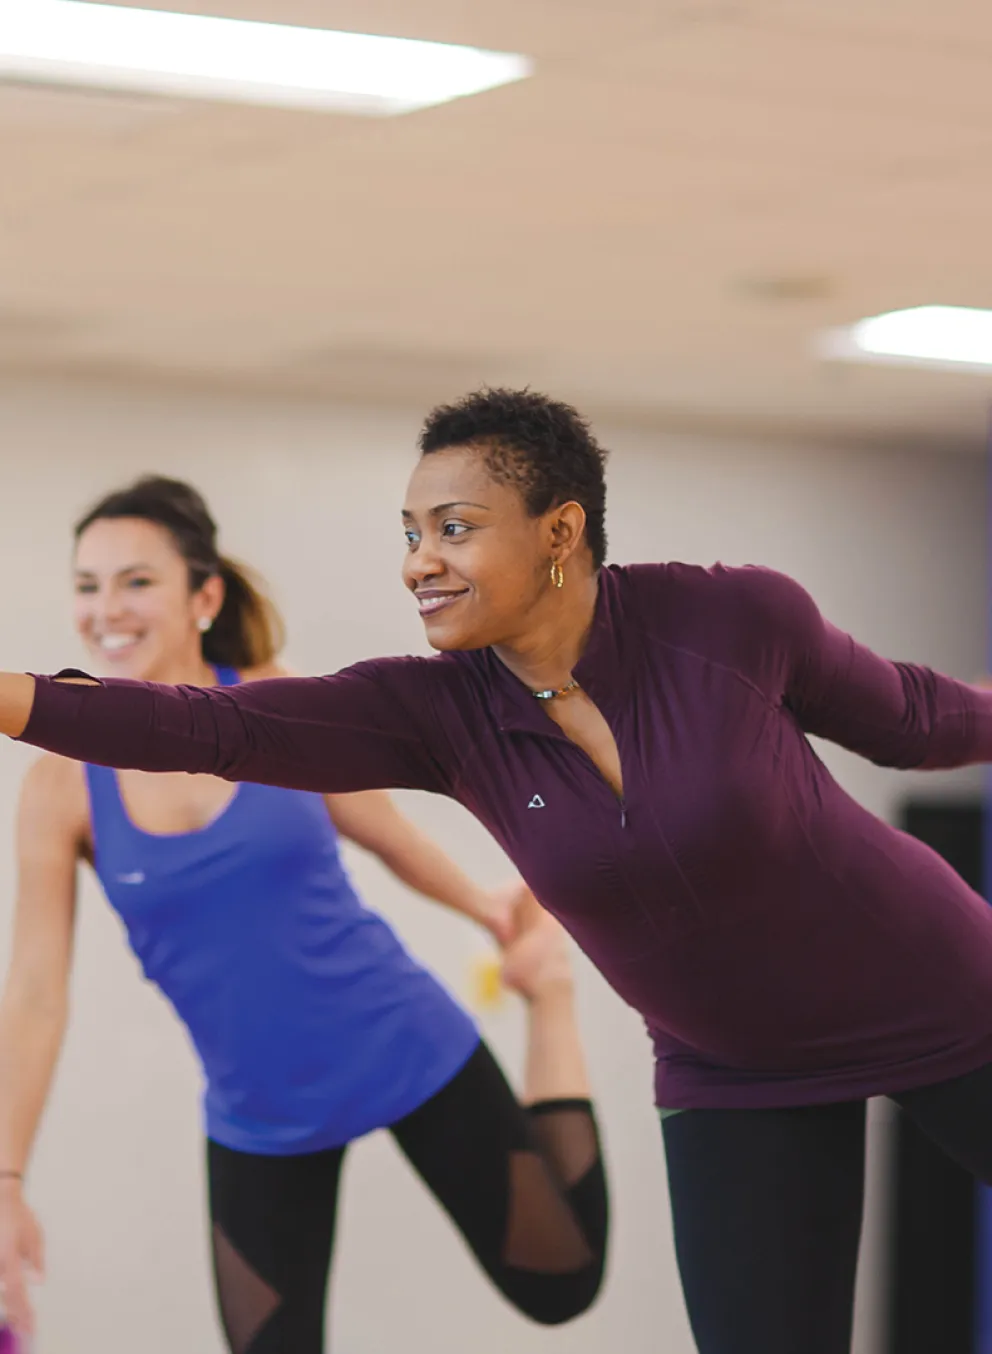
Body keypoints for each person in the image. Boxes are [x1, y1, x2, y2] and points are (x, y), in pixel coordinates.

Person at [2, 394, 992, 1354]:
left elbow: (911, 716)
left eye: (453, 528)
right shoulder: (434, 714)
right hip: (729, 1070)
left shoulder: (727, 616)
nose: (416, 562)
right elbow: (209, 727)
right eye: (409, 532)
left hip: (936, 992)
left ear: (557, 531)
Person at [0, 475, 609, 1353]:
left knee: (560, 1285)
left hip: (402, 1044)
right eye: (89, 585)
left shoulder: (270, 702)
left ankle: (551, 1005)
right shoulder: (61, 781)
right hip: (259, 1111)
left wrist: (492, 912)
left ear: (203, 596)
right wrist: (9, 1176)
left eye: (136, 581)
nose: (107, 609)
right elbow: (33, 994)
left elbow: (387, 837)